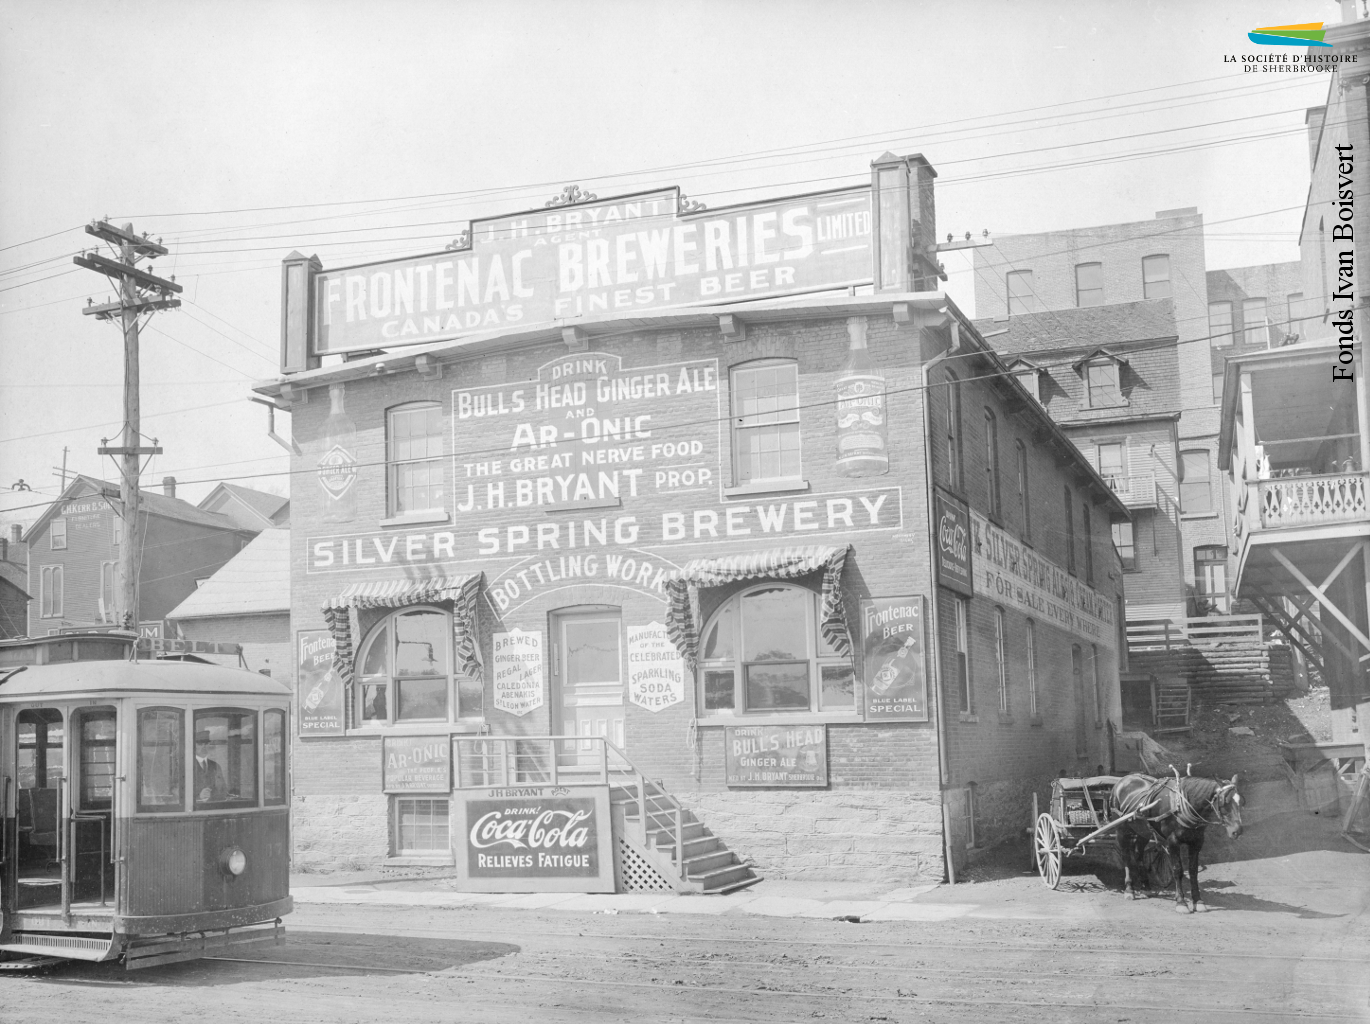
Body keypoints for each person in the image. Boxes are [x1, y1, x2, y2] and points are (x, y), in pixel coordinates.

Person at [194, 730, 228, 803]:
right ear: (194, 745)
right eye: (200, 744)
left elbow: (223, 790)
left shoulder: (215, 766)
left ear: (209, 745)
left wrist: (211, 795)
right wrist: (198, 796)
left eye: (206, 743)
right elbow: (177, 790)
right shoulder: (187, 765)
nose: (204, 747)